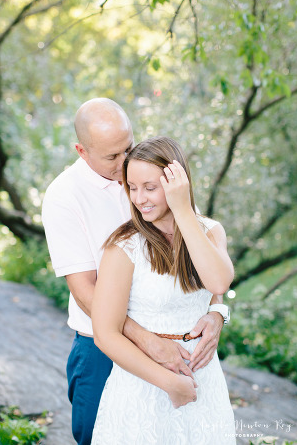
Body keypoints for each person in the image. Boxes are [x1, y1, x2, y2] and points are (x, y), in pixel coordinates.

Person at [41, 98, 229, 444]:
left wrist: (217, 310)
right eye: (113, 157)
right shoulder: (63, 197)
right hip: (101, 350)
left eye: (128, 147)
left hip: (180, 349)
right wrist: (148, 342)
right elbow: (84, 289)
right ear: (83, 151)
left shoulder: (153, 171)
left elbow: (200, 255)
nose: (125, 162)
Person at [90, 137, 235, 444]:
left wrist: (183, 211)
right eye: (132, 187)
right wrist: (168, 382)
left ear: (176, 183)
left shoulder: (210, 231)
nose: (139, 198)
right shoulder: (124, 247)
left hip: (203, 380)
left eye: (150, 187)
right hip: (144, 385)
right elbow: (106, 334)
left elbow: (219, 284)